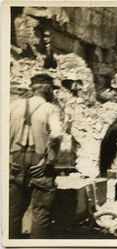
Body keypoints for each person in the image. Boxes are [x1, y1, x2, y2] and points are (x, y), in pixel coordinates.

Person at [9, 73, 63, 239]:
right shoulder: (50, 108)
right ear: (46, 89)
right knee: (41, 212)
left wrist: (6, 160)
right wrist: (49, 160)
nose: (53, 93)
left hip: (15, 162)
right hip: (38, 162)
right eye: (52, 89)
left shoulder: (12, 106)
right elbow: (57, 134)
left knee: (13, 211)